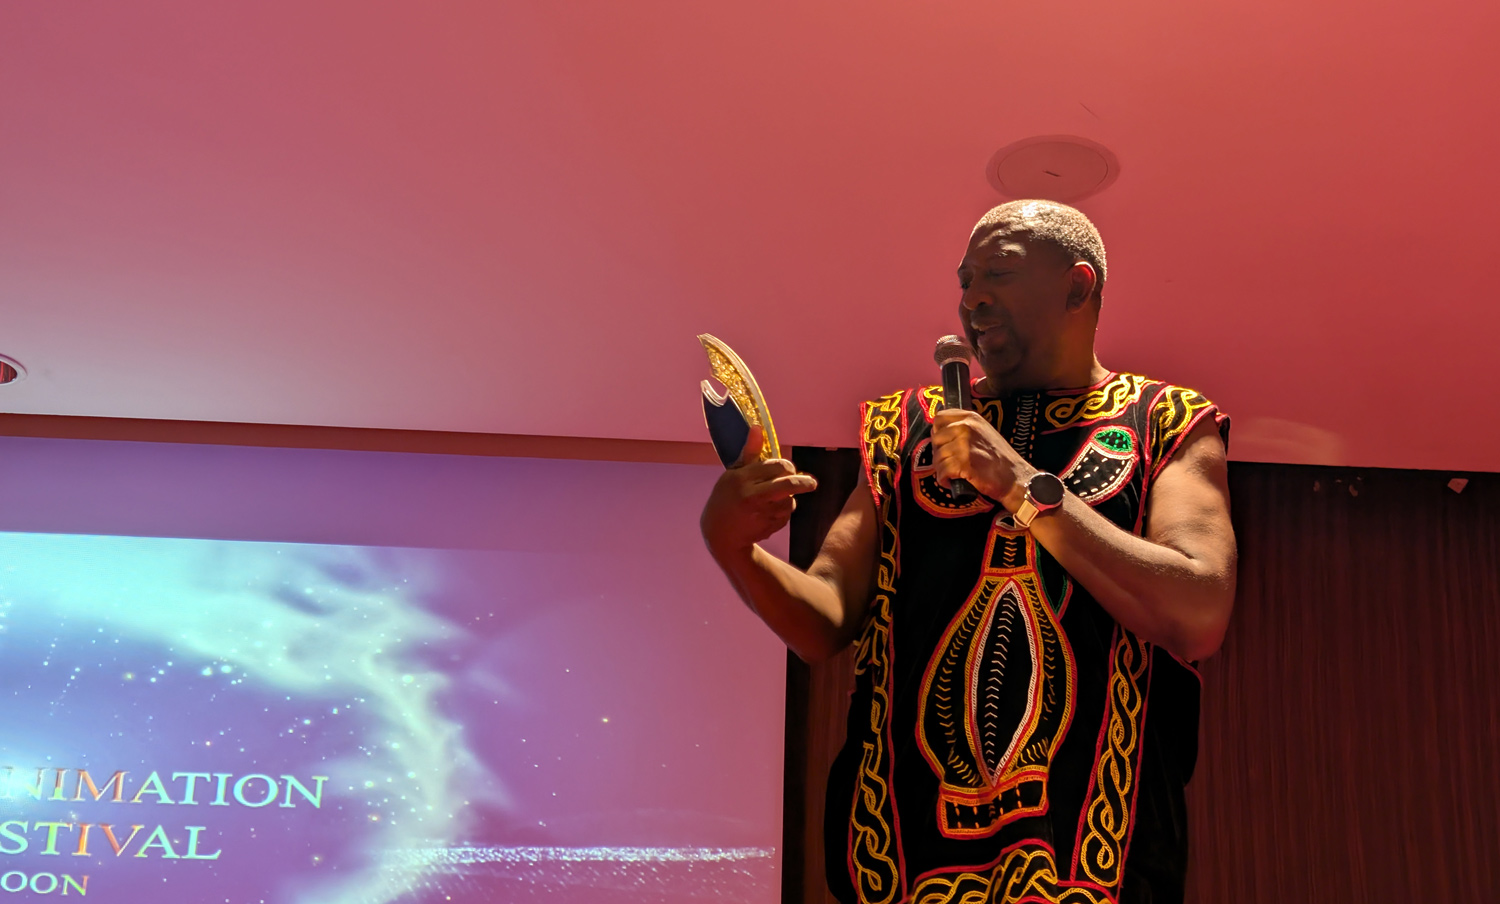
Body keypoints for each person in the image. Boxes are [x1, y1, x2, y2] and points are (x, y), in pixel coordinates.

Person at [700, 200, 1236, 904]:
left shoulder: (1166, 421)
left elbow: (1198, 611)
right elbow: (824, 617)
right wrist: (734, 548)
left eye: (998, 273)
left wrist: (1017, 483)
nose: (972, 297)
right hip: (903, 864)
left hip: (1093, 866)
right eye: (964, 280)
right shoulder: (905, 429)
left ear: (1078, 287)